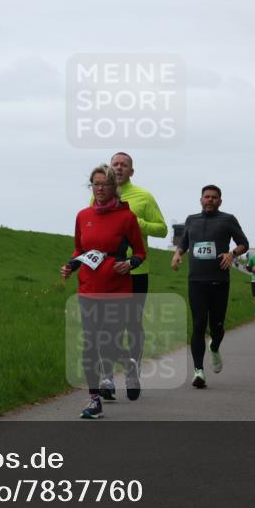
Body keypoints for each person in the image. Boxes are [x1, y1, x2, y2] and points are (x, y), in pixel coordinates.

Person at [62, 165, 146, 418]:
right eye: (95, 184)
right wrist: (70, 266)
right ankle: (94, 399)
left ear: (114, 187)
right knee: (90, 343)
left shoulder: (126, 217)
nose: (99, 189)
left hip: (117, 288)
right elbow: (80, 250)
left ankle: (129, 365)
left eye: (104, 184)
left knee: (107, 342)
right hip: (88, 287)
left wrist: (130, 263)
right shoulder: (82, 215)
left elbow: (140, 252)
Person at [90, 152, 167, 401]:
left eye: (124, 165)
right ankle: (108, 378)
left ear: (131, 171)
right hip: (107, 272)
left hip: (136, 271)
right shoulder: (98, 196)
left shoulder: (144, 197)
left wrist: (138, 223)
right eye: (115, 164)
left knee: (131, 326)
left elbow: (162, 230)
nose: (119, 168)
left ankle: (132, 373)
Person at [171, 185, 248, 389]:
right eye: (207, 197)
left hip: (219, 280)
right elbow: (185, 241)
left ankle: (214, 346)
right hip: (196, 281)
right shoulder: (191, 219)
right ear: (201, 200)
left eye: (214, 197)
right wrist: (178, 253)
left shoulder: (228, 219)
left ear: (220, 201)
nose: (210, 200)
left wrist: (232, 254)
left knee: (217, 326)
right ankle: (198, 371)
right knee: (198, 324)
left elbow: (244, 243)